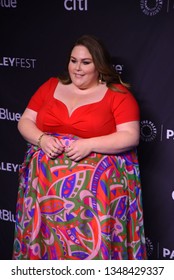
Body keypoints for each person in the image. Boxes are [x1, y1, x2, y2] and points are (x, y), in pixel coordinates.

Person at [13, 34, 147, 260]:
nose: (77, 68)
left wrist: (89, 144)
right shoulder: (50, 86)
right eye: (73, 60)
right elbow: (25, 121)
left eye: (86, 62)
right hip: (44, 191)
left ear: (99, 65)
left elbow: (130, 136)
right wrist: (42, 139)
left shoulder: (118, 94)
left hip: (94, 201)